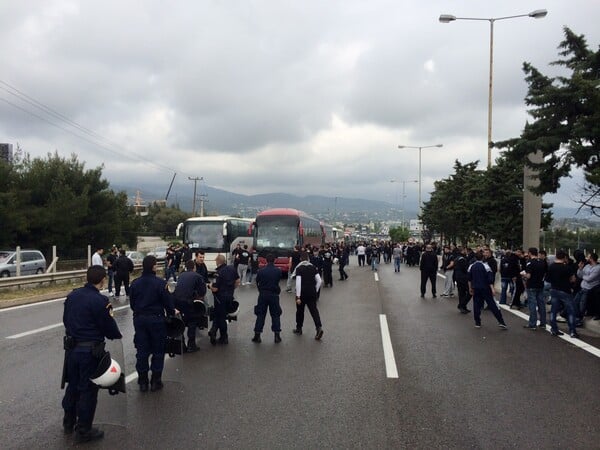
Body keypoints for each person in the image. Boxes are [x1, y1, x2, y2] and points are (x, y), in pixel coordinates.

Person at [62, 265, 122, 443]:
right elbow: (108, 326)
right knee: (87, 390)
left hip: (72, 350)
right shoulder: (100, 300)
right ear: (103, 280)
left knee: (72, 386)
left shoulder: (72, 296)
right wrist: (116, 334)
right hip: (90, 352)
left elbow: (66, 320)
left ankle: (68, 421)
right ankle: (84, 430)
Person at [130, 255, 176, 392]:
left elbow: (132, 303)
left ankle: (143, 381)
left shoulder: (135, 283)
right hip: (156, 320)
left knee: (142, 350)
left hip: (140, 320)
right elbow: (168, 304)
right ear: (154, 266)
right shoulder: (161, 284)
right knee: (158, 350)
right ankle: (156, 380)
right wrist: (171, 315)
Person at [173, 259, 207, 352]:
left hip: (177, 301)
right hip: (188, 301)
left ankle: (182, 345)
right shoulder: (198, 276)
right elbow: (202, 291)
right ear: (194, 267)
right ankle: (191, 345)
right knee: (192, 322)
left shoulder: (181, 275)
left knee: (181, 322)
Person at [468, 251, 508, 329]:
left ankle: (477, 322)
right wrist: (492, 289)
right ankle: (501, 321)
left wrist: (470, 288)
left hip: (476, 288)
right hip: (485, 288)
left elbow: (469, 279)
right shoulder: (486, 266)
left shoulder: (471, 266)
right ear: (482, 257)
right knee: (492, 304)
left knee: (476, 305)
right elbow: (490, 279)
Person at [545, 249, 578, 338]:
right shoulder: (567, 268)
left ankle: (554, 329)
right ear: (564, 258)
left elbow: (547, 279)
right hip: (565, 291)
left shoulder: (551, 266)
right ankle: (572, 331)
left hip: (554, 290)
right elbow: (573, 279)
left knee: (554, 310)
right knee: (571, 311)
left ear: (556, 256)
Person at [209, 254, 240, 345]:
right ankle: (213, 331)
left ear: (218, 261)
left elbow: (215, 289)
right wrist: (231, 290)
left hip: (220, 299)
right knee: (224, 316)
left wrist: (209, 286)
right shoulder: (232, 269)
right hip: (230, 297)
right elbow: (237, 281)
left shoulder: (218, 273)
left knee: (220, 318)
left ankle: (224, 337)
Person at [252, 254, 283, 343]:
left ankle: (257, 335)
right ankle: (277, 335)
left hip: (263, 294)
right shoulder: (278, 271)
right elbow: (278, 281)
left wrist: (261, 290)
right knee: (275, 315)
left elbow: (257, 282)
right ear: (274, 260)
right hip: (274, 294)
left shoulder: (261, 271)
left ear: (265, 260)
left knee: (260, 314)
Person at [293, 252, 324, 339]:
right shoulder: (313, 267)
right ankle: (319, 328)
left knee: (300, 311)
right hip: (312, 292)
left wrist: (298, 296)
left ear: (300, 259)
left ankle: (299, 328)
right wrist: (316, 290)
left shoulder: (299, 268)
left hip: (302, 293)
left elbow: (298, 283)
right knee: (314, 311)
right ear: (308, 259)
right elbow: (319, 281)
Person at [523, 247, 547, 330]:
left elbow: (528, 275)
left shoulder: (530, 262)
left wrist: (523, 274)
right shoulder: (543, 262)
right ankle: (543, 323)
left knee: (532, 305)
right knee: (541, 304)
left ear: (530, 253)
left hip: (532, 285)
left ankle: (532, 323)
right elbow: (545, 273)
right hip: (540, 285)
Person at [574, 253, 600, 327]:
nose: (586, 258)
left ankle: (579, 320)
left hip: (589, 289)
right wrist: (580, 268)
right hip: (582, 288)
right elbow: (579, 275)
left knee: (582, 305)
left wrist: (584, 276)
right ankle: (575, 318)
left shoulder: (598, 268)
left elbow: (589, 279)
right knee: (575, 303)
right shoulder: (587, 266)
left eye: (588, 257)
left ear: (591, 259)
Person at [453, 246, 471, 314]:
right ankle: (461, 305)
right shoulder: (463, 259)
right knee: (469, 292)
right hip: (463, 278)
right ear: (462, 251)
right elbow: (465, 269)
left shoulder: (457, 258)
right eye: (465, 250)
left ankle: (463, 307)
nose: (466, 251)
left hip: (458, 277)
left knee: (461, 293)